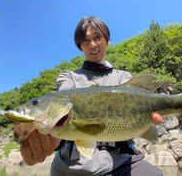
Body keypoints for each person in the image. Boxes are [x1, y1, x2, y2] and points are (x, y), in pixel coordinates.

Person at [20, 16, 163, 176]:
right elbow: (62, 103)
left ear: (107, 40)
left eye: (97, 37)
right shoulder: (68, 77)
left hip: (121, 164)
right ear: (80, 46)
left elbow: (139, 100)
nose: (93, 44)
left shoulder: (123, 77)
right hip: (71, 167)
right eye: (85, 40)